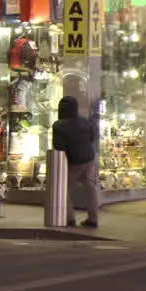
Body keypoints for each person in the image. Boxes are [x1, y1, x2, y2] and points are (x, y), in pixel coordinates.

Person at [52, 96, 99, 228]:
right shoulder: (85, 122)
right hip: (89, 158)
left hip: (73, 161)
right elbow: (92, 136)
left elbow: (58, 146)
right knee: (90, 188)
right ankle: (93, 218)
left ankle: (69, 218)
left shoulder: (59, 125)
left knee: (66, 190)